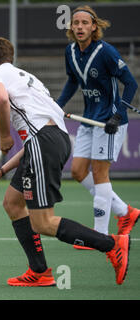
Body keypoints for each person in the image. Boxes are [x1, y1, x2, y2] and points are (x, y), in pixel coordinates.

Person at [0, 37, 131, 286]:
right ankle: (39, 271)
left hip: (43, 142)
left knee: (43, 222)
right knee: (13, 203)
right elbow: (36, 143)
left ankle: (112, 244)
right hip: (54, 141)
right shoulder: (29, 80)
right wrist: (1, 170)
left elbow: (1, 100)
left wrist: (5, 136)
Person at [57, 5, 139, 250]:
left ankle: (100, 236)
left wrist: (119, 113)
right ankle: (125, 212)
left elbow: (131, 83)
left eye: (85, 23)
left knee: (100, 174)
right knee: (78, 172)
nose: (80, 26)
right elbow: (73, 81)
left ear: (94, 27)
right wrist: (57, 105)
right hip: (89, 118)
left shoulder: (106, 52)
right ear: (71, 27)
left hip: (109, 121)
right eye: (76, 22)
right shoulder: (70, 51)